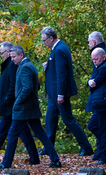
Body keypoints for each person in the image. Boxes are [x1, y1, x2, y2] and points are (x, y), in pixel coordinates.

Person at [0, 46, 61, 169]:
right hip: (29, 108)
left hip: (23, 109)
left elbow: (28, 88)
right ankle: (55, 160)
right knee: (40, 134)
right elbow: (36, 86)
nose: (12, 59)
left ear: (21, 55)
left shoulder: (25, 67)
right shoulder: (28, 66)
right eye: (11, 56)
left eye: (13, 56)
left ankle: (5, 164)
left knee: (12, 134)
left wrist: (18, 102)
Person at [0, 42, 39, 165]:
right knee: (23, 132)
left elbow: (14, 85)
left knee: (4, 130)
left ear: (8, 52)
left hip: (12, 105)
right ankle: (34, 157)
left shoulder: (12, 65)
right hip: (12, 105)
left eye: (2, 53)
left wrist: (7, 100)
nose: (1, 55)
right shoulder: (9, 65)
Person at [40, 26, 94, 156]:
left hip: (58, 93)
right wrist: (48, 65)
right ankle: (48, 147)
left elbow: (62, 74)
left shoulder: (59, 49)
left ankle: (86, 147)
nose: (43, 43)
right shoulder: (57, 48)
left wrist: (60, 94)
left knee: (68, 120)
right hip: (54, 94)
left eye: (44, 40)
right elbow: (57, 68)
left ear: (51, 38)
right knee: (50, 119)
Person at [85, 48, 106, 165]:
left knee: (103, 130)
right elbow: (92, 81)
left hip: (104, 103)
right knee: (93, 126)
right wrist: (90, 81)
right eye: (93, 59)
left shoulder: (105, 68)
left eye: (96, 59)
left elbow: (94, 84)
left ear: (103, 57)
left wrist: (91, 82)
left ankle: (105, 157)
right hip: (102, 103)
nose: (94, 61)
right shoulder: (102, 66)